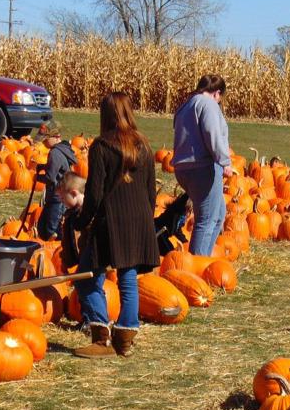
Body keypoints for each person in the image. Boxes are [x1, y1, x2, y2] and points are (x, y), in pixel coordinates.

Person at [72, 92, 159, 359]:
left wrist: (81, 222)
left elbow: (95, 193)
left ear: (105, 115)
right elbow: (150, 190)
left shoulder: (102, 146)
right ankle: (125, 339)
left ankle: (101, 338)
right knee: (127, 279)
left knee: (87, 277)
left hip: (111, 220)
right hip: (139, 219)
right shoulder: (143, 144)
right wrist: (146, 219)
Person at [172, 74, 231, 257]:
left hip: (183, 167)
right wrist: (225, 162)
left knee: (219, 213)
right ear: (217, 93)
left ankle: (204, 257)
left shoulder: (185, 106)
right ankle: (198, 264)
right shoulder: (208, 105)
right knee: (206, 220)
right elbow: (212, 135)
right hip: (202, 167)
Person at [36, 121, 78, 240]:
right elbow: (59, 167)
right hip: (58, 197)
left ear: (56, 137)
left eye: (45, 139)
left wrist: (37, 178)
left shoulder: (54, 153)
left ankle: (56, 252)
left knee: (51, 230)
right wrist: (44, 166)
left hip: (57, 198)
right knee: (44, 227)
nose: (43, 142)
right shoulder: (62, 150)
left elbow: (50, 178)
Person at [57, 172, 86, 267]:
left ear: (74, 193)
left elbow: (78, 243)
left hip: (84, 262)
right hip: (75, 264)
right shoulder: (71, 214)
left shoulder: (85, 215)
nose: (62, 201)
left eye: (63, 198)